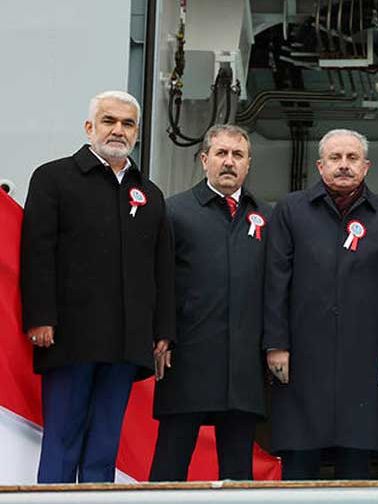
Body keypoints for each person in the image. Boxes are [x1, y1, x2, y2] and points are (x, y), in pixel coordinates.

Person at [20, 90, 174, 483]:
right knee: (63, 439)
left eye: (127, 123)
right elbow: (37, 254)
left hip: (125, 344)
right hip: (69, 339)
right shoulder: (53, 178)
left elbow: (161, 269)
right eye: (109, 121)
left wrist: (162, 332)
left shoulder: (150, 194)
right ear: (90, 127)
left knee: (105, 443)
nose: (118, 130)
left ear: (137, 132)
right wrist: (40, 318)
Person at [264, 129, 378, 480]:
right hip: (301, 352)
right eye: (335, 158)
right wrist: (276, 344)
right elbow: (275, 281)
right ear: (319, 165)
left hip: (363, 353)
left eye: (352, 158)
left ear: (366, 166)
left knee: (355, 460)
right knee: (300, 461)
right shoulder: (290, 210)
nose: (343, 166)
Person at [150, 125, 267, 481]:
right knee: (170, 466)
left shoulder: (268, 216)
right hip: (186, 357)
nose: (229, 162)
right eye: (221, 153)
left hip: (243, 363)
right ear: (204, 160)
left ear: (248, 164)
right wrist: (161, 335)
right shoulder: (174, 212)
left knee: (238, 472)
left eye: (237, 155)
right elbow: (158, 281)